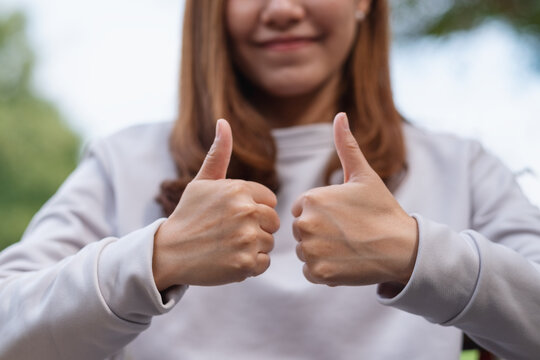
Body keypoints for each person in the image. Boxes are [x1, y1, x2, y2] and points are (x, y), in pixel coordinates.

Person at [0, 0, 539, 359]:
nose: (281, 9)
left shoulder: (462, 166)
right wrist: (156, 258)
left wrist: (419, 254)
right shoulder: (122, 161)